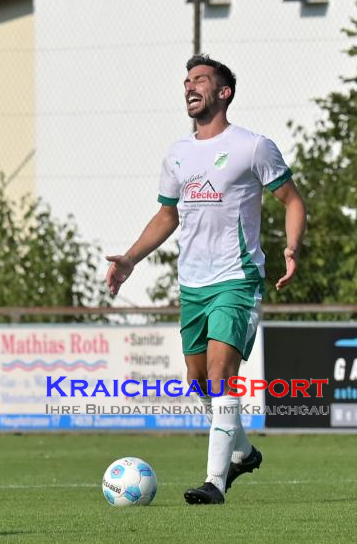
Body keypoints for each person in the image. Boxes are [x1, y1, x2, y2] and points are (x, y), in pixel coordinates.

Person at [105, 54, 306, 505]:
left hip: (237, 279)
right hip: (192, 284)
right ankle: (243, 452)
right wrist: (131, 259)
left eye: (200, 80)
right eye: (187, 81)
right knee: (198, 382)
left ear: (223, 92)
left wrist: (292, 248)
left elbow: (293, 200)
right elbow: (167, 214)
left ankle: (215, 482)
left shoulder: (253, 146)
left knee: (220, 375)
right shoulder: (177, 153)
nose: (190, 86)